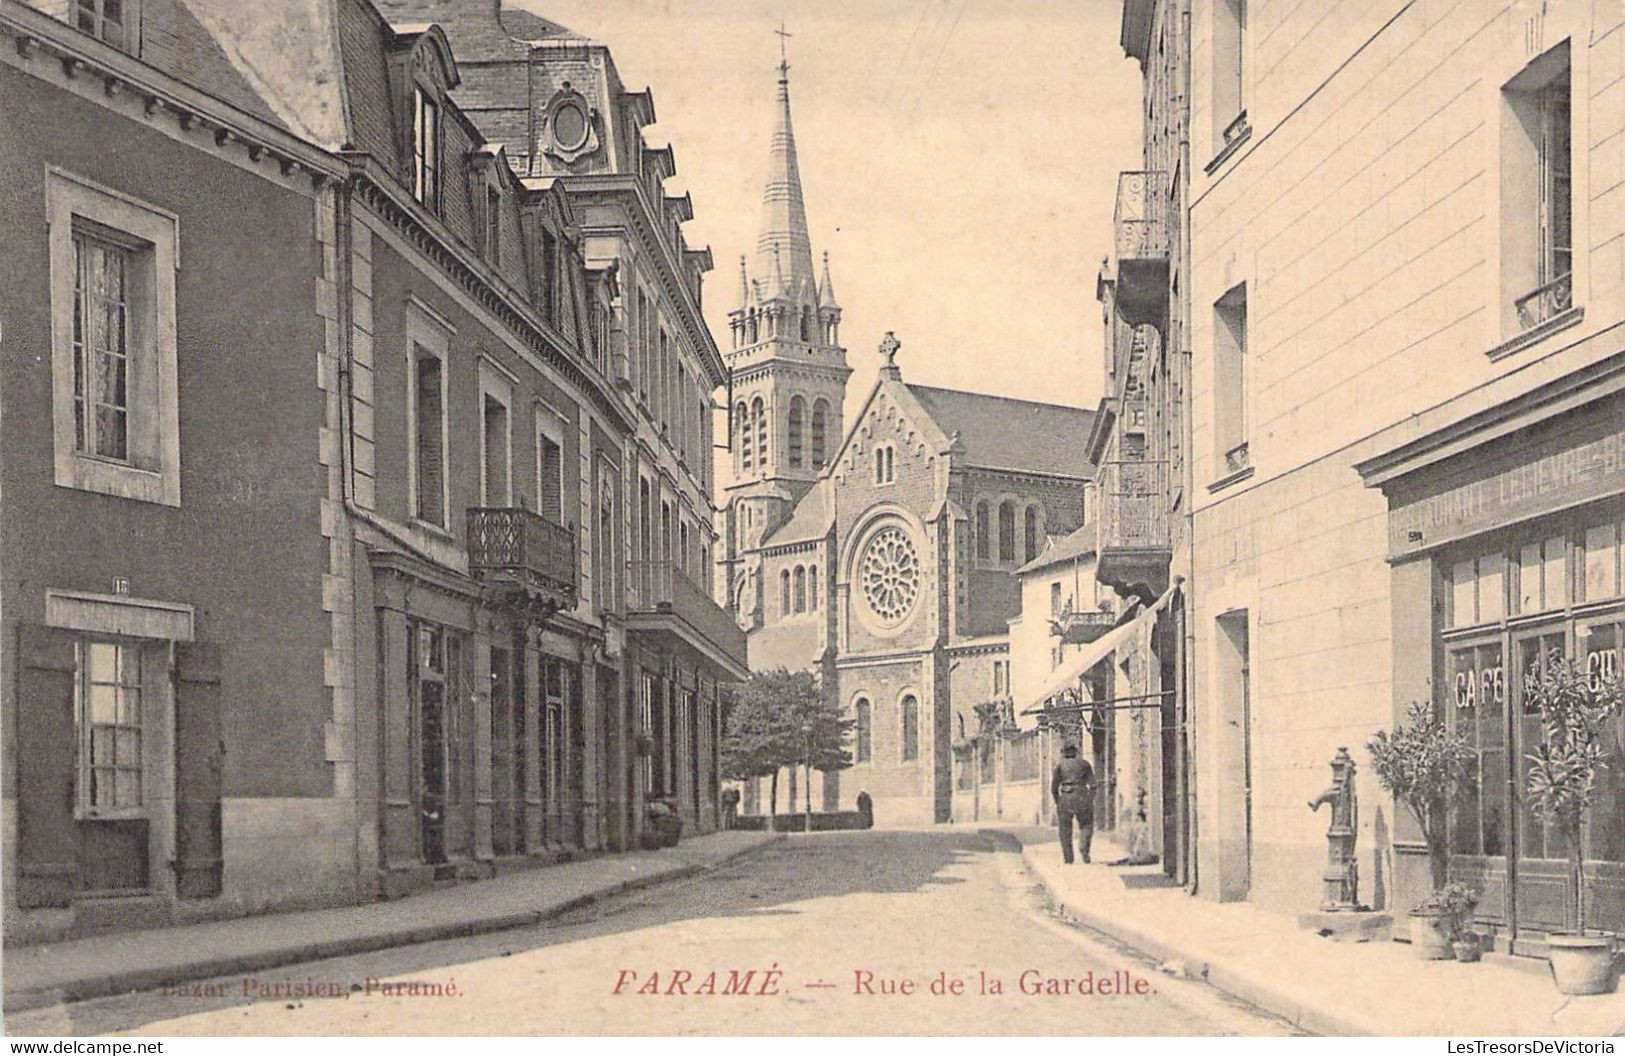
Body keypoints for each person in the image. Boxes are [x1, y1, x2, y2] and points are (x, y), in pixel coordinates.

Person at [1051, 742, 1095, 864]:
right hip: (1082, 796)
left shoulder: (1059, 766)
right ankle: (1084, 848)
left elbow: (1054, 786)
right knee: (1087, 824)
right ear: (1075, 751)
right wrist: (1090, 800)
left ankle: (1068, 858)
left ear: (1064, 752)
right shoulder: (1085, 764)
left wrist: (1057, 801)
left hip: (1065, 797)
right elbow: (1093, 785)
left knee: (1065, 829)